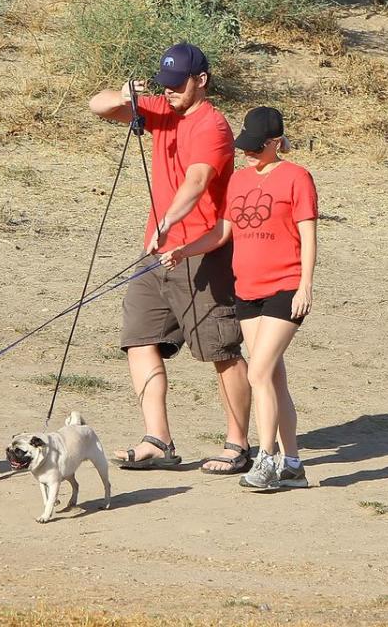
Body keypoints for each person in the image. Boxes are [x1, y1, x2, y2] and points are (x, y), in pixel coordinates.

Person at [88, 42, 253, 473]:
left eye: (178, 84)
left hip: (201, 251)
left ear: (202, 80)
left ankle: (238, 444)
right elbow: (98, 107)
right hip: (155, 253)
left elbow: (198, 181)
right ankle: (157, 439)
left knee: (220, 348)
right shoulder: (162, 110)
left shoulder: (212, 127)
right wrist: (125, 95)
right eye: (166, 84)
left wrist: (168, 220)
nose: (171, 92)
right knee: (139, 338)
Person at [160, 106, 317, 489]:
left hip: (285, 287)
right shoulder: (240, 181)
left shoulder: (297, 177)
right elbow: (223, 233)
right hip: (247, 289)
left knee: (259, 371)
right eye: (244, 145)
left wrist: (305, 286)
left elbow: (309, 235)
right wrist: (185, 249)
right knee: (274, 377)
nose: (247, 152)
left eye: (256, 146)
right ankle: (293, 464)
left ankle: (265, 459)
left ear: (276, 142)